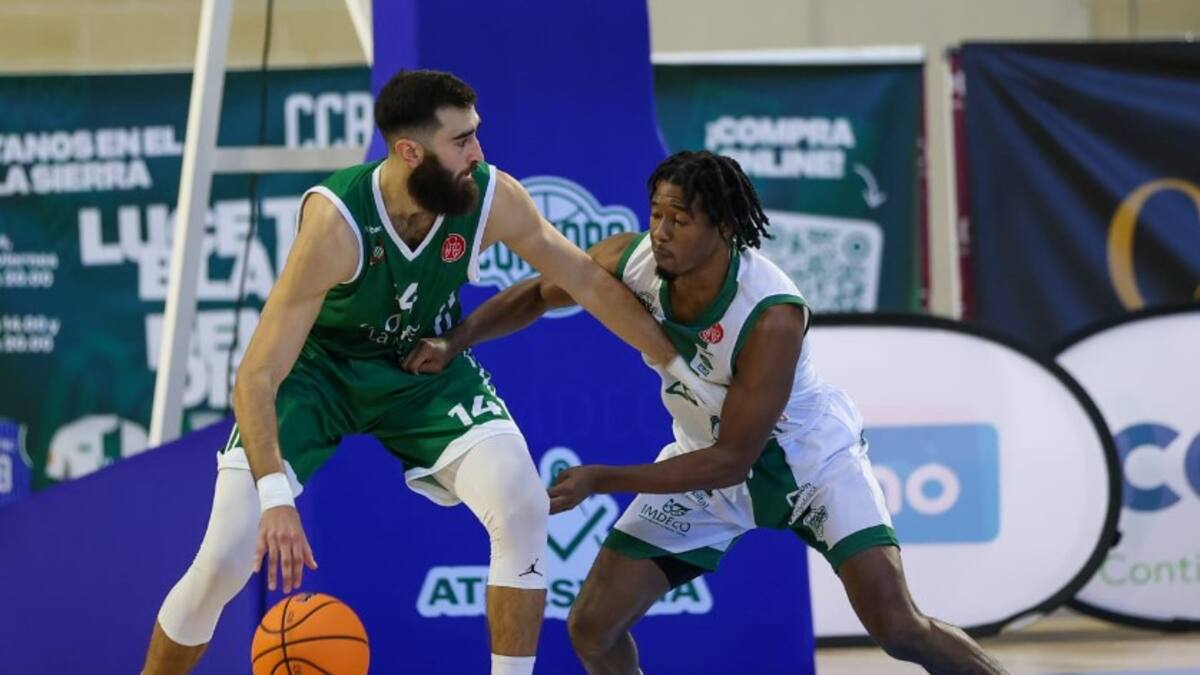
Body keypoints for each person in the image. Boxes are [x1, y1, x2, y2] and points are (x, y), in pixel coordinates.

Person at [141, 71, 719, 675]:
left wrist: (674, 363)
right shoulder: (337, 223)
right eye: (461, 141)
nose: (479, 153)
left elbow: (584, 280)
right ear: (409, 152)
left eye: (476, 134)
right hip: (318, 375)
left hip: (423, 367)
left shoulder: (492, 197)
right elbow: (256, 377)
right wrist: (276, 497)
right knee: (225, 558)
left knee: (521, 502)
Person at [405, 150, 1009, 674]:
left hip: (810, 468)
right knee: (592, 628)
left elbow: (733, 461)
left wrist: (602, 479)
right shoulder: (636, 260)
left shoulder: (770, 315)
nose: (661, 231)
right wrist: (454, 342)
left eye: (680, 220)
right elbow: (539, 291)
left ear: (721, 226)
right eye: (657, 214)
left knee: (899, 629)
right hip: (704, 462)